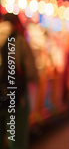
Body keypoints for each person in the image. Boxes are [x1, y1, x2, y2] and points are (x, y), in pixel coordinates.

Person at [0, 12, 38, 149]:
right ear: (17, 24)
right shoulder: (19, 40)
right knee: (17, 142)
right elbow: (32, 73)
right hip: (15, 100)